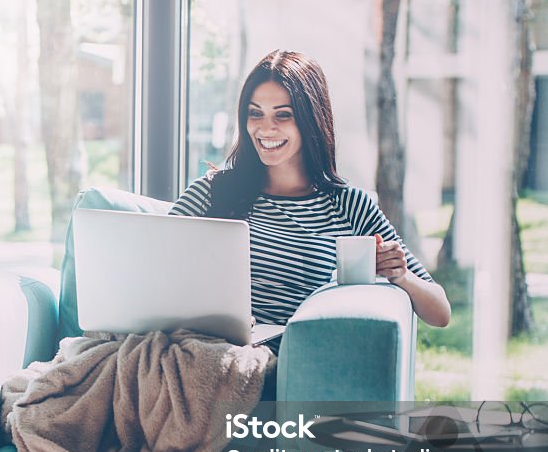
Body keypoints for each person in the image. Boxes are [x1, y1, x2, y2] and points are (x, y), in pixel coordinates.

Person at [171, 50, 451, 330]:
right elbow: (153, 264)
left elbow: (440, 312)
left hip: (290, 358)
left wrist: (401, 275)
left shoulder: (349, 205)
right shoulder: (211, 191)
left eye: (283, 115)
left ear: (310, 120)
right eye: (255, 113)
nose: (266, 128)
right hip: (206, 341)